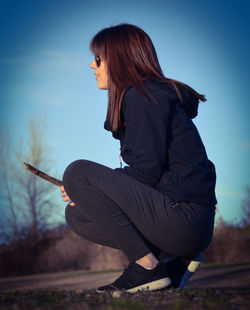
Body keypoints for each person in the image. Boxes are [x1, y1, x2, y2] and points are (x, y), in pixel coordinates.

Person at [60, 24, 216, 293]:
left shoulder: (145, 97)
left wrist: (90, 185)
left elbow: (145, 172)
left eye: (98, 59)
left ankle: (146, 268)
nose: (91, 65)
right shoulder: (143, 97)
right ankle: (171, 263)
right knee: (77, 214)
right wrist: (90, 195)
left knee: (77, 173)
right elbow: (149, 175)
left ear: (119, 60)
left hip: (185, 218)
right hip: (184, 222)